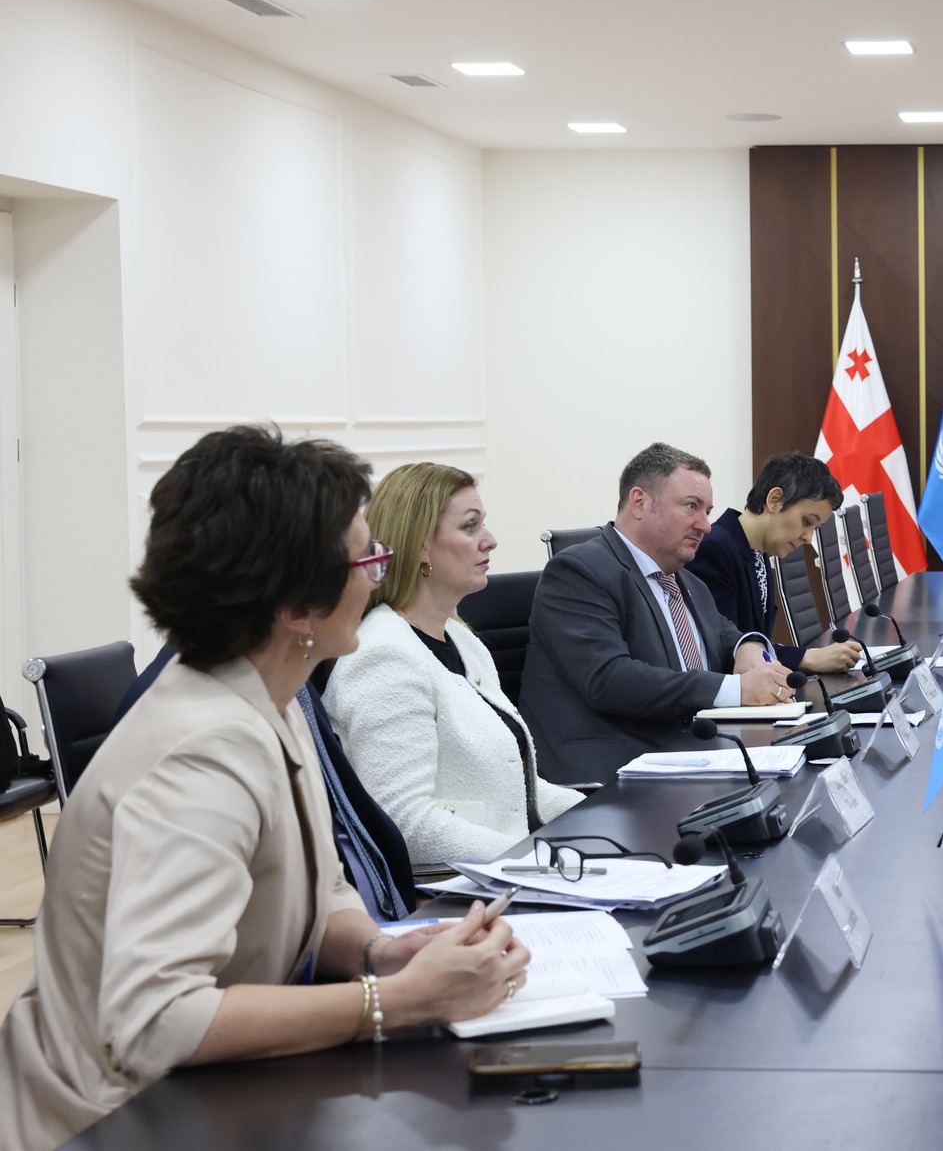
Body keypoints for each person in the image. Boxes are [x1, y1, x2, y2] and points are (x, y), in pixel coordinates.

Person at [0, 427, 528, 1151]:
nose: (378, 578)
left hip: (211, 1093)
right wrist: (390, 1002)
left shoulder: (270, 693)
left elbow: (319, 883)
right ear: (296, 607)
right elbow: (154, 1021)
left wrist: (377, 953)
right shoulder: (201, 753)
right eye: (366, 561)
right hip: (110, 1118)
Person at [326, 464, 584, 864]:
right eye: (470, 526)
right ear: (420, 547)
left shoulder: (462, 640)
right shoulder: (384, 656)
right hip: (458, 885)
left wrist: (604, 817)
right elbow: (404, 822)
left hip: (510, 868)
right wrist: (536, 862)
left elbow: (520, 795)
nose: (490, 540)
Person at [522, 443, 794, 781]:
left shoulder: (686, 580)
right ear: (639, 502)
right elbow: (609, 679)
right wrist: (736, 689)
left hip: (692, 754)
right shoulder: (578, 572)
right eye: (691, 506)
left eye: (707, 511)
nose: (705, 525)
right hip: (614, 771)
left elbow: (725, 633)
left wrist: (748, 646)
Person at [114, 644, 418, 922]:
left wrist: (379, 946)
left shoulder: (285, 682)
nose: (367, 600)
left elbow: (335, 843)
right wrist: (374, 962)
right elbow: (182, 938)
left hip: (362, 922)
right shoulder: (185, 715)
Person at [686, 452, 863, 675]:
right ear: (775, 499)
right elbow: (727, 649)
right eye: (807, 521)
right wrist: (807, 657)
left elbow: (756, 640)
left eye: (815, 529)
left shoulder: (758, 552)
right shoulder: (715, 549)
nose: (808, 538)